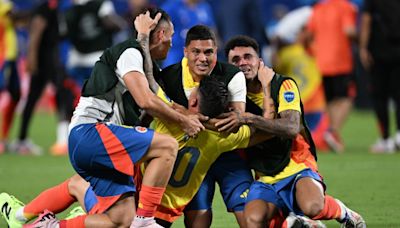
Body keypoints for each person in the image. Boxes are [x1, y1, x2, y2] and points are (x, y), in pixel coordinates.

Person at [1, 8, 205, 228]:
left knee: (120, 220)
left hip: (102, 144)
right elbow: (146, 100)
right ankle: (145, 221)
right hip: (91, 132)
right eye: (172, 36)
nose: (172, 43)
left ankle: (45, 226)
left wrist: (199, 118)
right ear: (162, 35)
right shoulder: (130, 53)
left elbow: (163, 104)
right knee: (167, 146)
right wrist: (183, 121)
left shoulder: (149, 70)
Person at [0, 76, 271, 228]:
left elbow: (151, 92)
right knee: (81, 184)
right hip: (163, 217)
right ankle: (20, 215)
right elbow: (266, 131)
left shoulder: (169, 120)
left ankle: (45, 224)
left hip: (141, 210)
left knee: (106, 211)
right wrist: (256, 102)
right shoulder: (224, 138)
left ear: (193, 100)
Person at [221, 35, 366, 228]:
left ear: (260, 61)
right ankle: (297, 223)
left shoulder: (283, 84)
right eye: (236, 60)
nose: (243, 63)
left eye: (248, 56)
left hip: (297, 163)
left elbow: (291, 127)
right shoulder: (232, 99)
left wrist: (247, 118)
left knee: (313, 207)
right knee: (253, 220)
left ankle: (343, 212)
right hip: (265, 175)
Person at [155, 25, 251, 227]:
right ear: (185, 52)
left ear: (216, 51)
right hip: (192, 155)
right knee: (197, 219)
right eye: (196, 52)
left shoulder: (232, 75)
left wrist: (187, 115)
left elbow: (234, 121)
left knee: (251, 217)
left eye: (208, 52)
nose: (203, 58)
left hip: (227, 152)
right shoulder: (169, 77)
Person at [47, 0, 127, 155]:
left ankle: (62, 141)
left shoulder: (67, 8)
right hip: (98, 60)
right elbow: (113, 24)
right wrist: (121, 23)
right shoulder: (101, 4)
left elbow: (61, 34)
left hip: (75, 59)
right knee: (106, 101)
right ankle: (107, 140)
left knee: (68, 100)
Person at [10, 0, 70, 155]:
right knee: (60, 96)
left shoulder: (51, 7)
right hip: (46, 60)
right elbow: (36, 32)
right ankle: (62, 140)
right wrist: (32, 58)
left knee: (34, 98)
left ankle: (22, 139)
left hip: (47, 58)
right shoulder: (47, 7)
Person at [306, 0, 358, 153]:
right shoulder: (346, 7)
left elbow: (308, 35)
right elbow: (349, 30)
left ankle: (331, 136)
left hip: (321, 62)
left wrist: (312, 51)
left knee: (331, 100)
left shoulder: (318, 9)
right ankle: (332, 131)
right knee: (347, 98)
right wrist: (362, 38)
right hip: (340, 61)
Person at [359, 0, 400, 153]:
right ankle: (398, 136)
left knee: (379, 97)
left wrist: (363, 47)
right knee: (398, 95)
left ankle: (385, 139)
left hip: (379, 52)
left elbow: (366, 21)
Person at [161, 0, 217, 67]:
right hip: (176, 51)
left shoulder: (205, 6)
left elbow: (212, 28)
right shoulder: (172, 6)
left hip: (198, 52)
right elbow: (162, 26)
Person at [0, 0, 22, 154]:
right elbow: (15, 16)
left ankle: (4, 138)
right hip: (3, 58)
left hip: (11, 57)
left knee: (15, 95)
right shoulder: (3, 6)